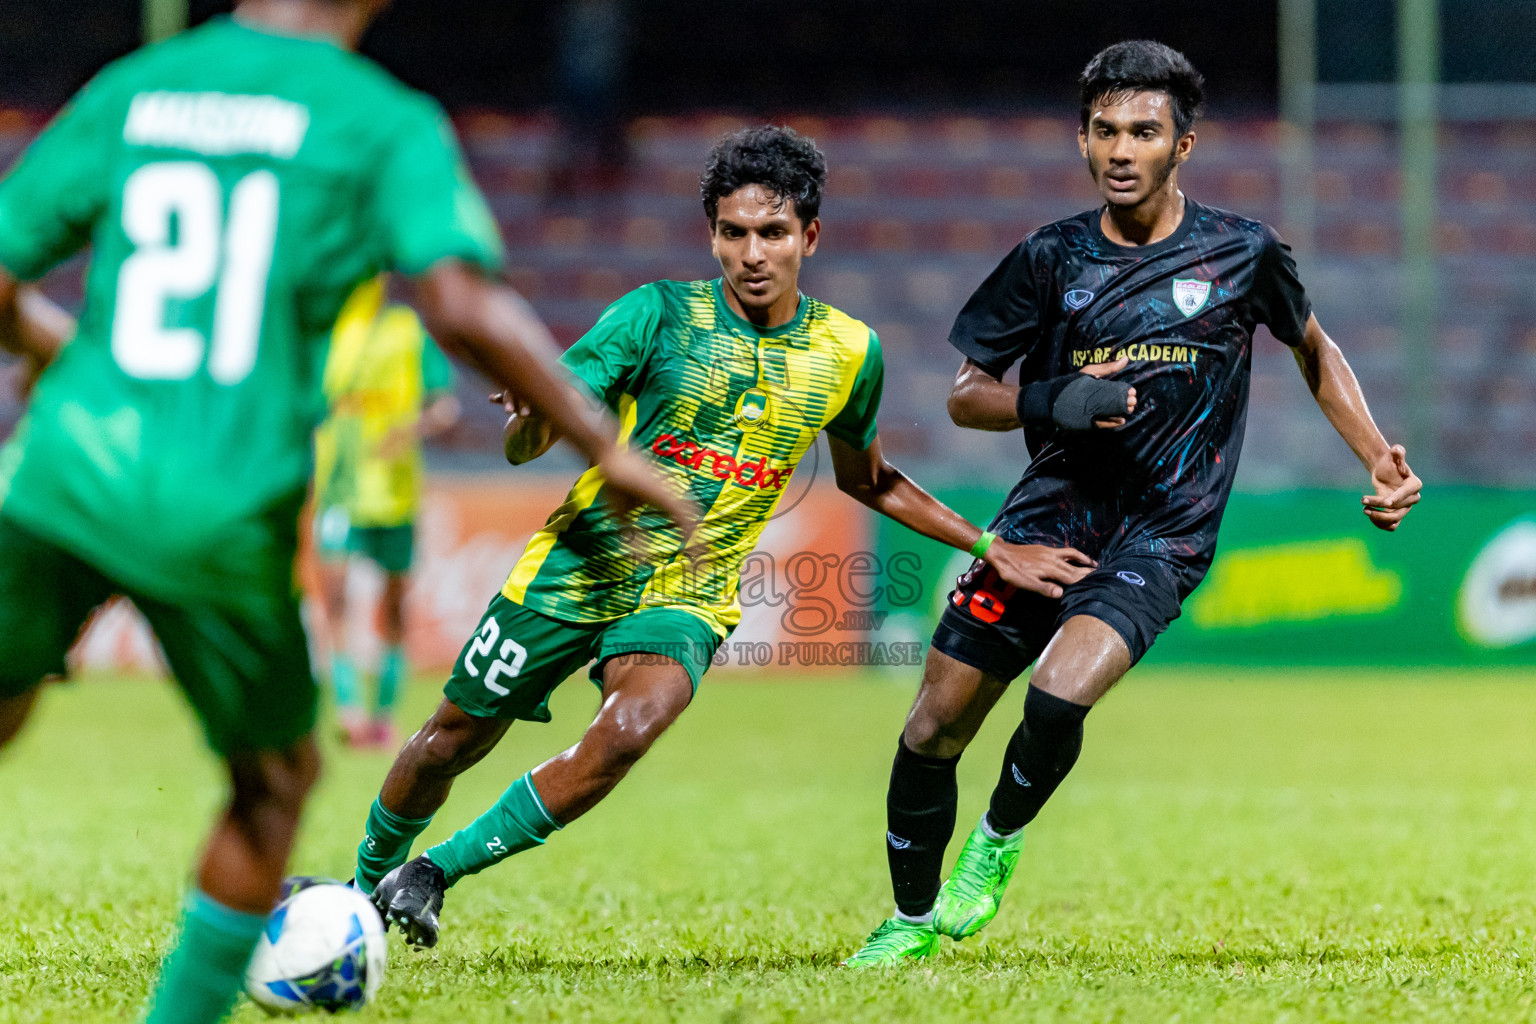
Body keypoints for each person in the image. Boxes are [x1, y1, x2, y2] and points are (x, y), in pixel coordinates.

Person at [0, 3, 692, 1022]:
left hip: (57, 472)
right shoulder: (379, 118)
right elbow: (459, 301)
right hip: (217, 503)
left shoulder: (140, 83)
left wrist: (63, 351)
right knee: (277, 778)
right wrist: (602, 444)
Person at [353, 125, 1095, 949]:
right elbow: (533, 433)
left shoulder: (848, 351)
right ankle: (359, 887)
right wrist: (527, 418)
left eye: (772, 233)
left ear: (808, 237)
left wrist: (988, 544)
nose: (751, 253)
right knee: (452, 738)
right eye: (733, 232)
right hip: (577, 566)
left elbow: (870, 479)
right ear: (711, 233)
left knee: (628, 732)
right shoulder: (656, 315)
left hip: (689, 592)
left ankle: (431, 873)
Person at [845, 40, 1424, 967]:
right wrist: (1055, 399)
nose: (1122, 148)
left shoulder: (1242, 252)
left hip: (1163, 531)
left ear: (1182, 145)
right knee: (932, 727)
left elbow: (1314, 348)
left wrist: (1378, 461)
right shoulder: (1048, 258)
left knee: (1057, 697)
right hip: (1044, 522)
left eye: (1144, 131)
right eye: (1105, 130)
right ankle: (909, 923)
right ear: (1081, 139)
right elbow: (965, 393)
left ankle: (992, 845)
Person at [313, 275, 461, 748]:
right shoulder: (327, 334)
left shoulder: (406, 332)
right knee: (335, 596)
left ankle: (384, 713)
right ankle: (349, 709)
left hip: (394, 491)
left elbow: (444, 405)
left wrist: (410, 430)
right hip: (338, 487)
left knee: (393, 602)